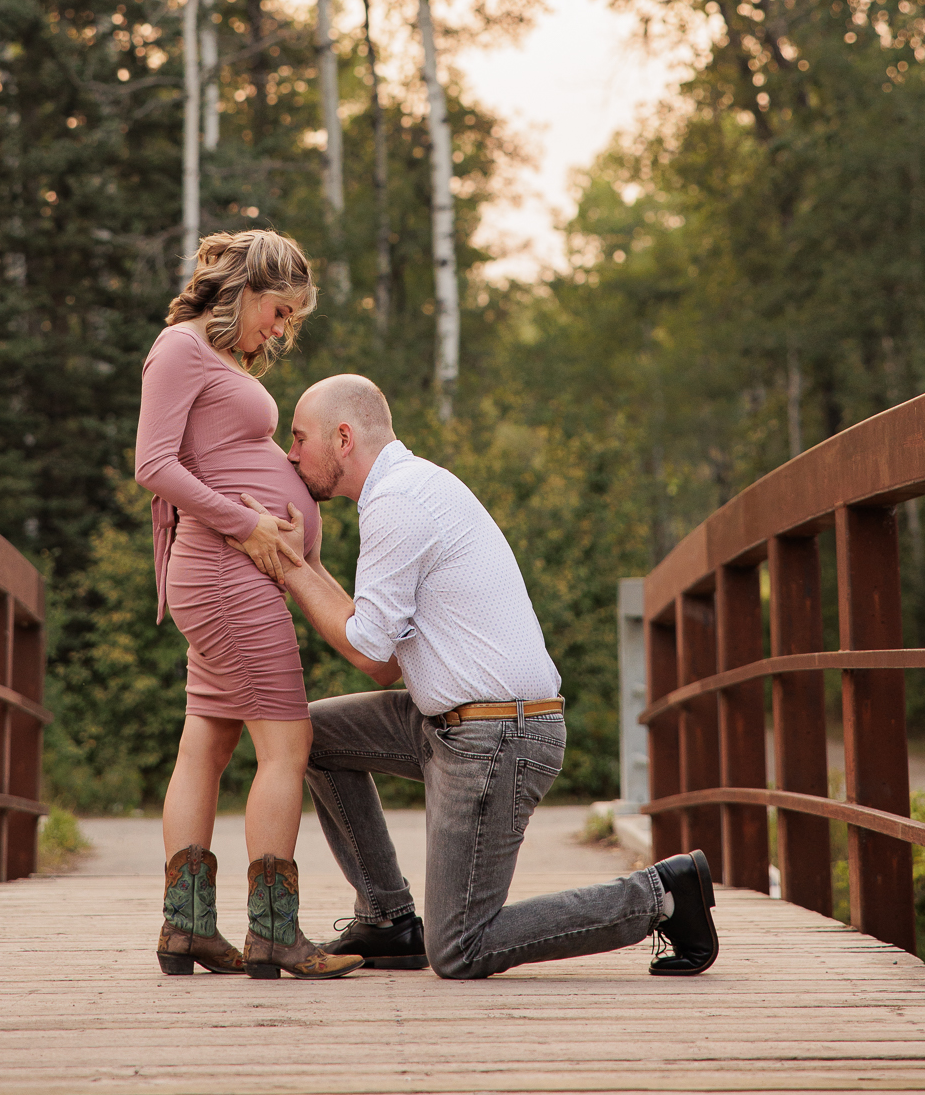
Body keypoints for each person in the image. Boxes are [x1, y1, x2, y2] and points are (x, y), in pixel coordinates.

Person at [242, 372, 718, 982]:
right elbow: (387, 659)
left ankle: (661, 894)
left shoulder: (397, 504)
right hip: (452, 722)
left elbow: (365, 647)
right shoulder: (407, 492)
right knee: (311, 736)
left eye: (299, 438)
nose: (290, 453)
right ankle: (388, 919)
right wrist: (308, 563)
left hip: (497, 738)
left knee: (461, 948)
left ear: (342, 438)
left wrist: (289, 564)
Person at [134, 231, 361, 981]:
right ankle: (274, 935)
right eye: (279, 309)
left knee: (208, 737)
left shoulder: (217, 357)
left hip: (233, 575)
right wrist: (249, 523)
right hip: (227, 574)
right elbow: (153, 464)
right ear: (244, 289)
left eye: (292, 316)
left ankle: (187, 930)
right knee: (286, 746)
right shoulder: (180, 348)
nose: (283, 327)